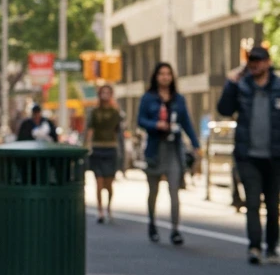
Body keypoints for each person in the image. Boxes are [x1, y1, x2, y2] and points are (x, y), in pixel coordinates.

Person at [217, 46, 280, 264]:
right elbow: (224, 109)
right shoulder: (241, 86)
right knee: (252, 202)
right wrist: (230, 83)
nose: (255, 64)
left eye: (259, 60)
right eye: (252, 60)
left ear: (268, 62)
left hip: (275, 156)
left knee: (273, 205)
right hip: (248, 156)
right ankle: (254, 247)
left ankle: (271, 247)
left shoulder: (279, 86)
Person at [137, 62, 201, 245]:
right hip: (155, 148)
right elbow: (140, 120)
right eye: (161, 74)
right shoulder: (148, 98)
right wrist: (155, 124)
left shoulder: (178, 99)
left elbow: (187, 122)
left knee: (174, 190)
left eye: (168, 74)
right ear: (156, 77)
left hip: (173, 148)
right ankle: (152, 223)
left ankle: (175, 229)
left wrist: (196, 145)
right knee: (153, 190)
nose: (165, 77)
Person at [86, 84, 122, 223]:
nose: (105, 95)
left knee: (109, 184)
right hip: (97, 148)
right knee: (99, 182)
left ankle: (109, 208)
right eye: (103, 92)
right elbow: (89, 129)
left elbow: (119, 132)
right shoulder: (94, 111)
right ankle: (100, 211)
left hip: (111, 148)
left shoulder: (115, 112)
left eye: (108, 92)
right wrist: (87, 146)